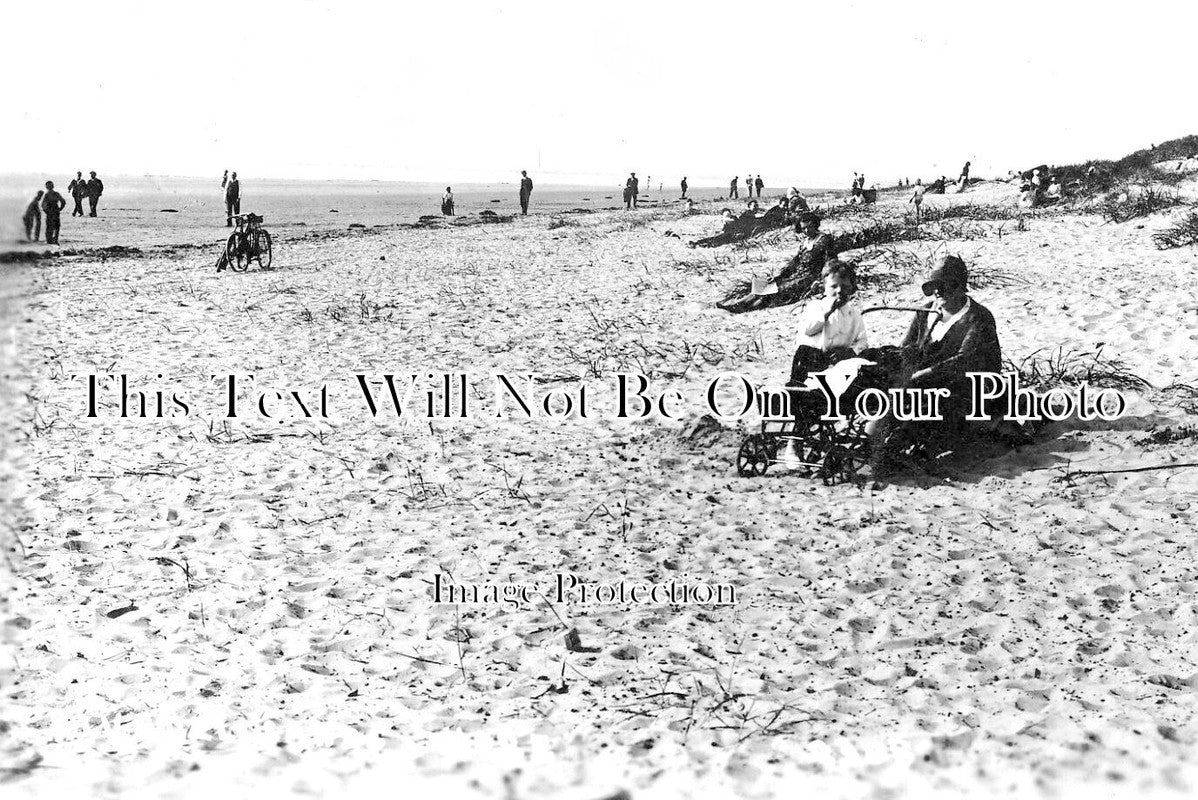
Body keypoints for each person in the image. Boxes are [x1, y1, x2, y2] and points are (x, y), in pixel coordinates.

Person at [869, 255, 1003, 475]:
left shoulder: (978, 318)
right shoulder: (926, 312)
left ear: (960, 286)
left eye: (944, 285)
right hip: (925, 380)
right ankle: (877, 439)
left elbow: (965, 361)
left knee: (927, 405)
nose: (938, 292)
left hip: (965, 385)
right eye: (933, 287)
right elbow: (907, 347)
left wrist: (922, 375)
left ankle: (905, 445)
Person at [716, 211, 835, 313]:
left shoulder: (824, 239)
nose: (807, 230)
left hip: (810, 277)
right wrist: (779, 276)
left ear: (816, 225)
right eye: (804, 228)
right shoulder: (806, 242)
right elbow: (795, 262)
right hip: (797, 275)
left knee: (773, 290)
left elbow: (831, 262)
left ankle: (743, 307)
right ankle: (739, 304)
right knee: (766, 284)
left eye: (810, 227)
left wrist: (822, 281)